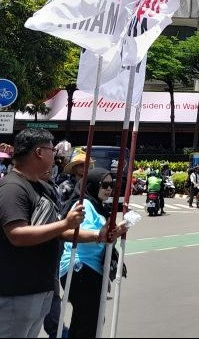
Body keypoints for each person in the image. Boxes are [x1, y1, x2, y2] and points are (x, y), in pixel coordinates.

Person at [0, 129, 85, 338]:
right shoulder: (12, 187)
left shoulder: (41, 186)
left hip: (41, 287)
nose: (54, 154)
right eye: (51, 149)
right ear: (38, 152)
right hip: (17, 291)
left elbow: (55, 230)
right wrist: (65, 223)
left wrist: (98, 235)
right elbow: (17, 234)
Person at [58, 168, 128, 338]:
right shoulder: (85, 205)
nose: (109, 189)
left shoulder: (97, 206)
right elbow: (69, 232)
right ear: (91, 185)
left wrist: (114, 233)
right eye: (104, 185)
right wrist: (99, 235)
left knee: (86, 321)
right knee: (89, 322)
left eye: (111, 185)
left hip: (90, 269)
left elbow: (104, 240)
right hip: (81, 267)